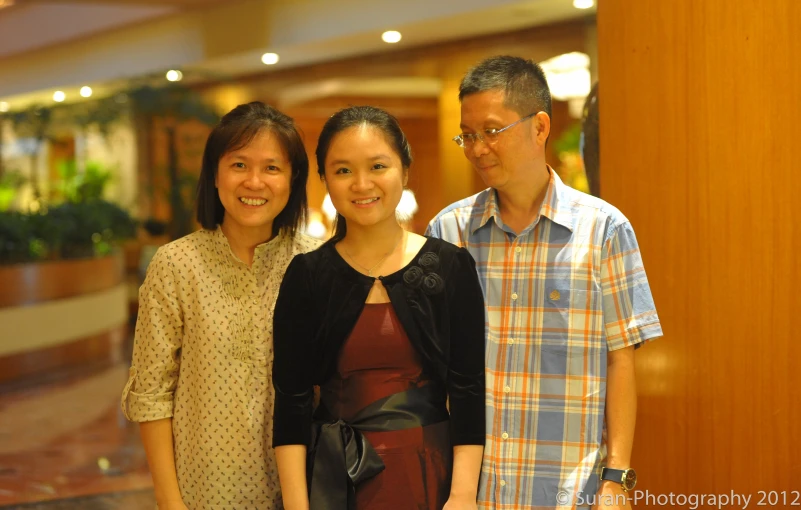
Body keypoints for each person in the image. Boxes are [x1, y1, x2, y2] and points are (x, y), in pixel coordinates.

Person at [426, 56, 663, 510]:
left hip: (568, 488)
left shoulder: (604, 229)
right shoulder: (448, 232)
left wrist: (616, 478)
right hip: (470, 491)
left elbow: (621, 362)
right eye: (468, 135)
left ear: (539, 128)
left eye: (491, 131)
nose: (477, 149)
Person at [272, 106, 486, 510]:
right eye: (343, 171)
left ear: (404, 170)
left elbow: (468, 389)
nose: (362, 184)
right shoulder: (307, 275)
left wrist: (462, 495)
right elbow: (291, 400)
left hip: (431, 477)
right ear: (324, 181)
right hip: (335, 481)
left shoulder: (450, 267)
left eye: (377, 166)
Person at [121, 101, 321, 510]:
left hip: (303, 490)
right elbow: (151, 392)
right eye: (239, 165)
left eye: (272, 167)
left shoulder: (316, 263)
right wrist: (168, 499)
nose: (254, 182)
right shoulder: (176, 264)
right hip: (204, 490)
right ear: (214, 174)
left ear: (292, 178)